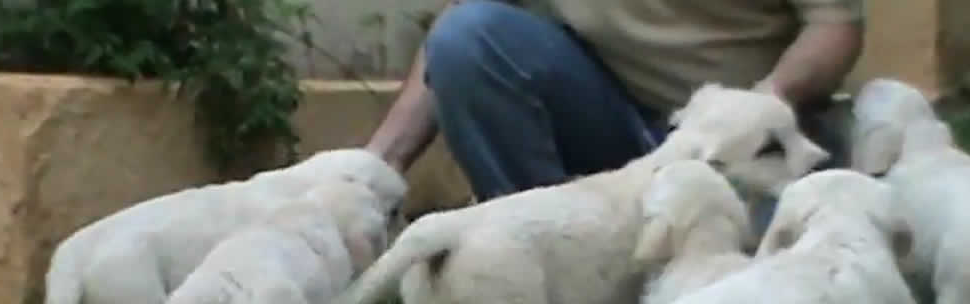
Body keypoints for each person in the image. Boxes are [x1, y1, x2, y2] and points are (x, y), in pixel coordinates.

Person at [364, 0, 865, 229]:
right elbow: (458, 30)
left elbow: (834, 29)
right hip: (606, 121)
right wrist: (370, 172)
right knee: (469, 36)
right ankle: (550, 255)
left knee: (778, 292)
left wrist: (760, 104)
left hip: (741, 149)